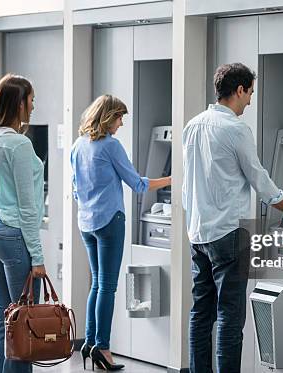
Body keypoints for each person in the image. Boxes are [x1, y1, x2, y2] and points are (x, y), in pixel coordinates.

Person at [182, 63, 283, 373]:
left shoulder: (193, 125)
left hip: (198, 233)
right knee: (230, 315)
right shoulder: (236, 129)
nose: (250, 101)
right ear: (239, 90)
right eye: (250, 93)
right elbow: (258, 177)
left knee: (201, 313)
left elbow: (186, 183)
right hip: (229, 233)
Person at [70, 94, 171, 371]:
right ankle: (103, 347)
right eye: (119, 117)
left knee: (97, 284)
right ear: (107, 116)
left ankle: (89, 344)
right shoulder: (110, 146)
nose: (121, 123)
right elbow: (137, 184)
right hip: (110, 222)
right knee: (108, 287)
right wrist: (175, 179)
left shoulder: (78, 146)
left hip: (87, 223)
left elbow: (75, 188)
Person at [0, 74, 46, 373]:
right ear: (19, 103)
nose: (33, 106)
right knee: (23, 321)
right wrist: (38, 257)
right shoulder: (19, 145)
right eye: (31, 100)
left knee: (3, 316)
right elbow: (28, 208)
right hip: (14, 235)